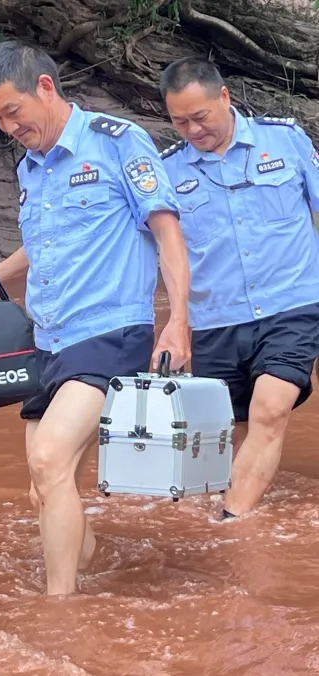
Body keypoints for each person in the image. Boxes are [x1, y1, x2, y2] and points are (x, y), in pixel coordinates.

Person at [0, 40, 191, 595]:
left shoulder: (118, 144)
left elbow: (166, 230)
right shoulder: (29, 167)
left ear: (45, 88)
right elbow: (40, 244)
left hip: (110, 331)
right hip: (47, 336)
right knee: (44, 488)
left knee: (49, 459)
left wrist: (178, 321)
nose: (7, 128)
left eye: (12, 112)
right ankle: (107, 570)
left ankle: (60, 610)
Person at [158, 56, 319, 520]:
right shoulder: (166, 172)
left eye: (200, 117)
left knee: (272, 409)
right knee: (228, 433)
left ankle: (229, 528)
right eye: (179, 121)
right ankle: (237, 511)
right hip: (216, 320)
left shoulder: (284, 139)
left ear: (224, 97)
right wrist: (177, 322)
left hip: (292, 305)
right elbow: (162, 252)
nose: (192, 130)